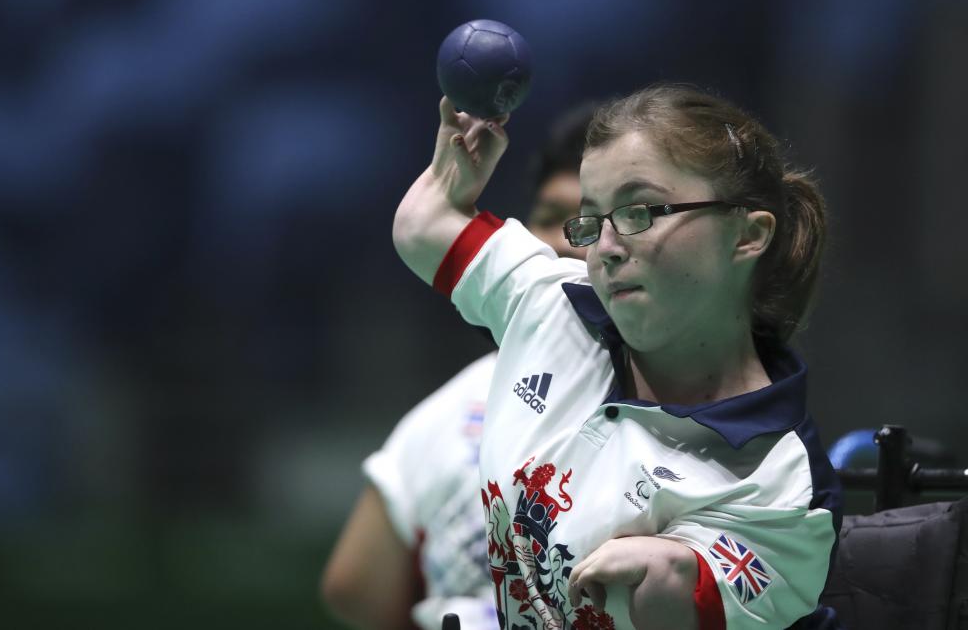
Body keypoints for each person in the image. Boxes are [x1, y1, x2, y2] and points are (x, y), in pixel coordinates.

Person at [391, 83, 842, 630]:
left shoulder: (780, 479)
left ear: (748, 234)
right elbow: (423, 227)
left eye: (640, 211)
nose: (604, 247)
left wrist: (675, 570)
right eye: (590, 219)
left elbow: (678, 602)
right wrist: (451, 173)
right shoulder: (552, 304)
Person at [321, 105, 596, 630]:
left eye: (584, 223)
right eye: (548, 217)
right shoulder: (453, 408)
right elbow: (352, 586)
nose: (562, 241)